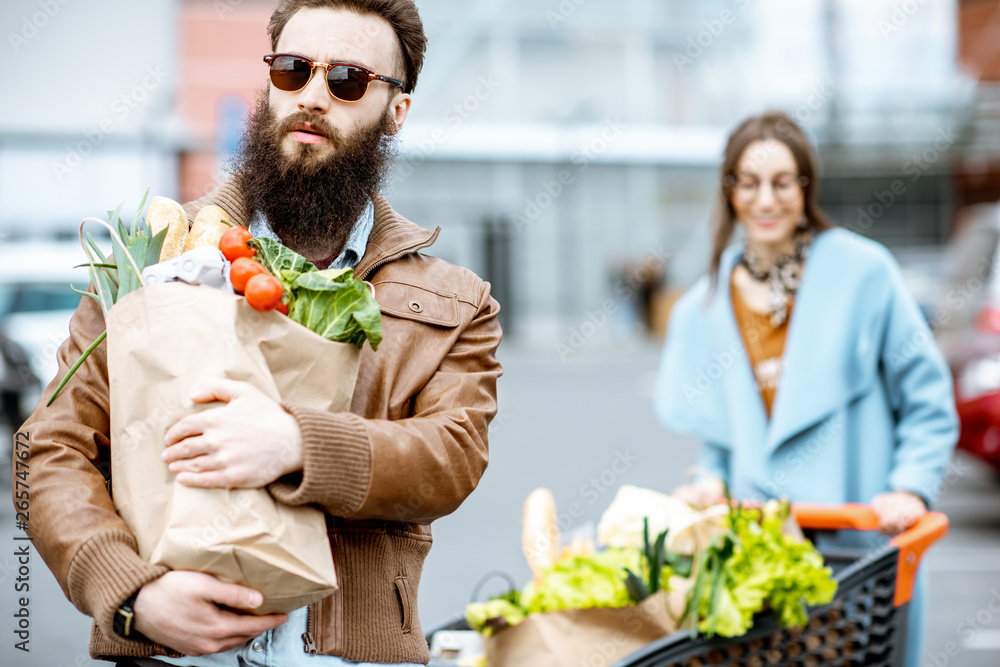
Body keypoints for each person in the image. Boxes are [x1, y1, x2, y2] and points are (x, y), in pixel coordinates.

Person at [16, 1, 502, 666]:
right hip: (164, 650)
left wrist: (299, 442)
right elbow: (47, 451)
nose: (311, 97)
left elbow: (451, 455)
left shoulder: (456, 299)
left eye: (348, 80)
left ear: (397, 110)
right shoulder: (148, 255)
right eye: (293, 70)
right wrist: (131, 594)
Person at [654, 111, 957, 665]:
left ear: (805, 187)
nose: (766, 200)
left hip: (858, 540)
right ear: (729, 190)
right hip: (761, 552)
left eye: (782, 182)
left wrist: (909, 487)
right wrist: (708, 481)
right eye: (749, 183)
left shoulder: (864, 273)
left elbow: (927, 401)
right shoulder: (709, 302)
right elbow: (722, 433)